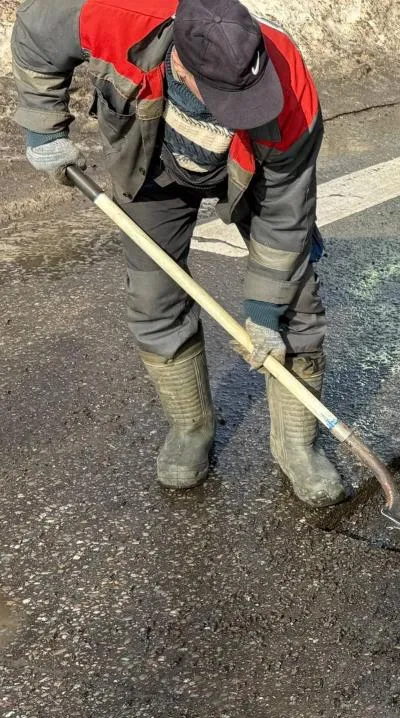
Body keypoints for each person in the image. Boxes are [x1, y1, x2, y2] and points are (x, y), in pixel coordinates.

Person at [11, 0, 347, 507]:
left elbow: (286, 215)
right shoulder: (121, 14)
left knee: (295, 304)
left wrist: (262, 312)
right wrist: (42, 126)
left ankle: (296, 445)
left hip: (252, 167)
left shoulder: (289, 91)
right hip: (151, 155)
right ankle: (191, 428)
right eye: (226, 99)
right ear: (183, 65)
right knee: (154, 296)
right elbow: (36, 33)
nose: (241, 106)